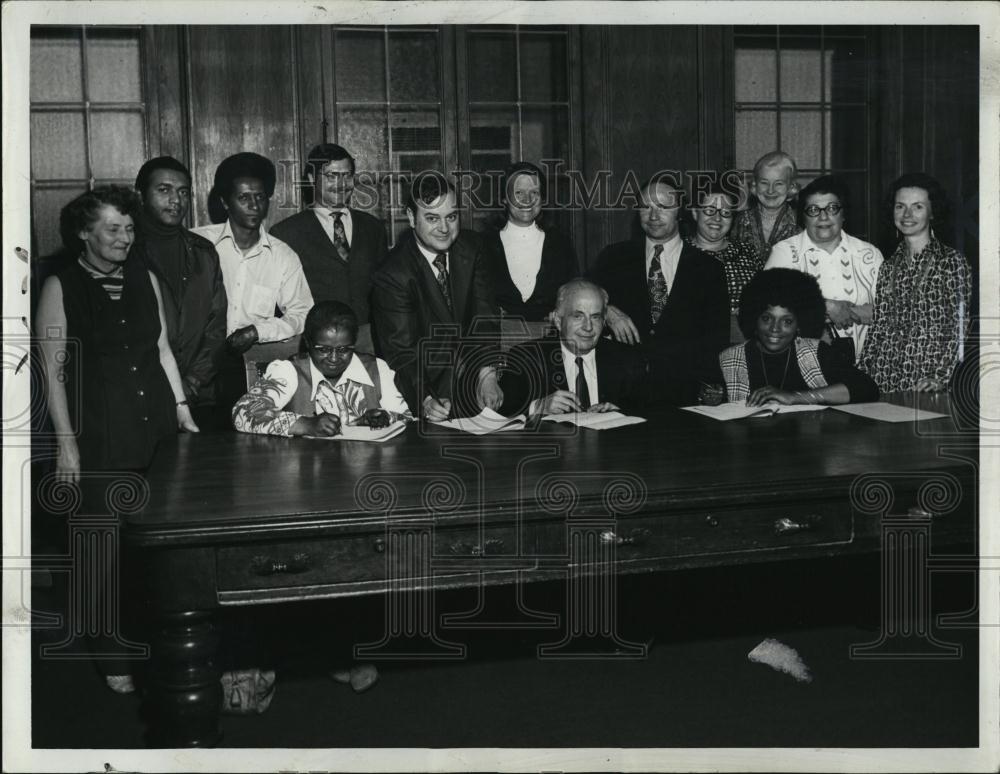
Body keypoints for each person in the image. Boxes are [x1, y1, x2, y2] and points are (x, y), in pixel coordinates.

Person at [35, 186, 200, 694]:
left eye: (130, 228)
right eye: (112, 228)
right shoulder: (60, 285)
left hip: (153, 429)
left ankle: (157, 642)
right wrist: (67, 445)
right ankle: (110, 656)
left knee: (152, 551)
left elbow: (163, 352)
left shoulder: (143, 277)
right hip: (97, 435)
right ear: (84, 232)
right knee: (98, 552)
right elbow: (52, 372)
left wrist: (182, 411)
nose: (124, 237)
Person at [588, 174, 730, 405]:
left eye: (664, 207)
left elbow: (716, 338)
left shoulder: (708, 268)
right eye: (646, 207)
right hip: (619, 394)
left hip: (682, 394)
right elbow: (577, 291)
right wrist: (607, 309)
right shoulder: (614, 257)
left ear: (680, 211)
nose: (654, 216)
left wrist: (710, 387)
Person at [370, 173, 503, 420]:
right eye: (432, 218)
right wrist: (426, 399)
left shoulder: (473, 248)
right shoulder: (392, 274)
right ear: (411, 218)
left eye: (451, 217)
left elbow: (485, 318)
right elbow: (403, 353)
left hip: (479, 381)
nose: (444, 229)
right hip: (426, 390)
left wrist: (488, 373)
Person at [192, 152, 314, 412]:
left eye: (260, 197)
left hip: (249, 366)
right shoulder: (198, 244)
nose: (254, 205)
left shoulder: (283, 255)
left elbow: (303, 313)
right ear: (225, 201)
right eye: (244, 197)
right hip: (195, 364)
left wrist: (257, 331)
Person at [132, 156, 228, 427]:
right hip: (142, 397)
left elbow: (216, 326)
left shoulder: (203, 251)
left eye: (183, 192)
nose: (176, 199)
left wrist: (193, 382)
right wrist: (169, 388)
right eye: (164, 190)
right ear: (140, 196)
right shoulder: (125, 251)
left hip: (200, 396)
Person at [859, 173, 973, 392]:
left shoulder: (951, 262)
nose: (907, 214)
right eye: (900, 206)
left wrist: (940, 377)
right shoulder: (888, 266)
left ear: (932, 212)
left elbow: (960, 327)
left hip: (926, 380)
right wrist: (862, 372)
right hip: (883, 375)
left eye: (918, 207)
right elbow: (878, 326)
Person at [701, 268, 879, 407]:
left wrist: (795, 397)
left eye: (787, 321)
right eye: (766, 318)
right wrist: (711, 397)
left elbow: (865, 388)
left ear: (799, 324)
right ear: (753, 318)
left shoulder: (815, 353)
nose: (774, 329)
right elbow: (709, 395)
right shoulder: (728, 359)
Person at [270, 143, 387, 353]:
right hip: (315, 347)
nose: (341, 184)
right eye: (331, 175)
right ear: (310, 179)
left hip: (368, 344)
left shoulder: (373, 228)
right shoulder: (285, 233)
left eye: (347, 175)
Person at [232, 300, 410, 436]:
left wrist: (385, 417)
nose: (333, 358)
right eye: (323, 350)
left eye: (343, 350)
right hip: (305, 475)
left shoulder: (376, 369)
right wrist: (306, 424)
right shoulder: (289, 372)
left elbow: (408, 417)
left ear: (354, 344)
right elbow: (242, 412)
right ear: (308, 344)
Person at [765, 175, 883, 363]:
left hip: (867, 364)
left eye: (832, 208)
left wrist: (854, 313)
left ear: (843, 214)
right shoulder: (785, 252)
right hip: (802, 365)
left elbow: (888, 308)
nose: (823, 216)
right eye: (813, 210)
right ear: (803, 217)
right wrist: (827, 306)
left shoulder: (869, 253)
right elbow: (769, 300)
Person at [499, 279, 647, 417]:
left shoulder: (626, 358)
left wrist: (620, 413)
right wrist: (538, 407)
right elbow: (502, 412)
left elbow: (650, 411)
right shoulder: (526, 357)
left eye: (595, 317)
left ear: (603, 322)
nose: (588, 327)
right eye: (578, 316)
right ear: (558, 321)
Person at [479, 161, 579, 322]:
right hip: (498, 341)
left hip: (549, 340)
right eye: (519, 193)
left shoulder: (561, 244)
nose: (527, 200)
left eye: (534, 193)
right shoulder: (483, 244)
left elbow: (575, 293)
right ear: (504, 198)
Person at [684, 181, 760, 341]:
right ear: (695, 213)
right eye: (710, 210)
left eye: (725, 213)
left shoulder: (748, 252)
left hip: (745, 341)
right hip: (693, 342)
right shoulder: (679, 253)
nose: (717, 218)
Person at [730, 150, 802, 268]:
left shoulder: (799, 224)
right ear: (754, 185)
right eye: (764, 183)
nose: (770, 190)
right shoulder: (738, 220)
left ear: (791, 187)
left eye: (778, 183)